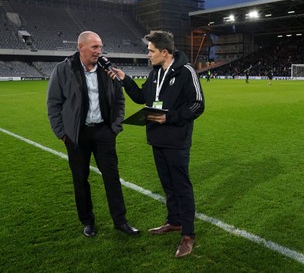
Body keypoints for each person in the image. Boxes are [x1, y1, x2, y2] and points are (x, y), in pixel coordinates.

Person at [109, 30, 205, 258]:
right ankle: (174, 221)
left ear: (164, 52)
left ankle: (188, 235)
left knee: (181, 187)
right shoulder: (154, 73)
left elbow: (197, 105)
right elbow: (142, 97)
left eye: (151, 51)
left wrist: (169, 117)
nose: (148, 55)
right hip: (156, 139)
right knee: (168, 184)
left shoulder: (185, 71)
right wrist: (125, 79)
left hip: (176, 140)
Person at [47, 31, 139, 238]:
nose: (99, 51)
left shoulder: (108, 70)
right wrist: (62, 133)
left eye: (100, 47)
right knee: (80, 180)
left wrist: (114, 127)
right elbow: (53, 103)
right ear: (81, 47)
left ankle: (120, 220)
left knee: (112, 178)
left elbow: (119, 100)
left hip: (104, 132)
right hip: (76, 135)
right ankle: (87, 222)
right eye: (94, 47)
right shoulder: (64, 69)